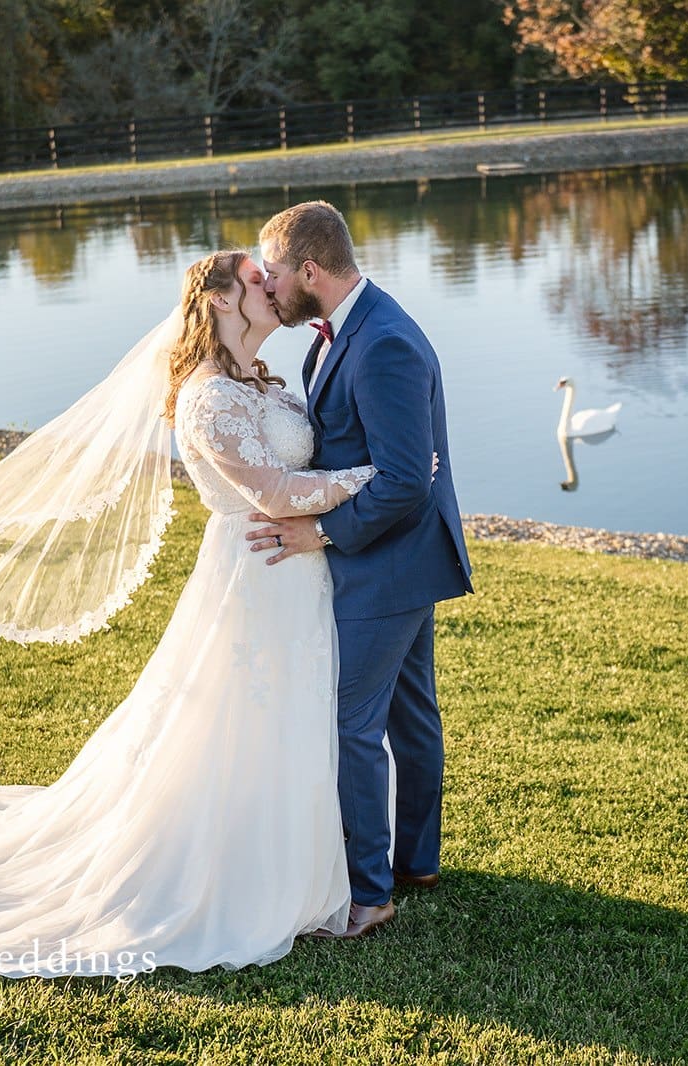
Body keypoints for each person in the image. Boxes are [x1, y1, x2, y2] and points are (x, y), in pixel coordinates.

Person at [0, 250, 389, 976]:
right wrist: (373, 477)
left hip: (300, 571)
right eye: (255, 279)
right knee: (244, 716)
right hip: (254, 570)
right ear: (220, 300)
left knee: (294, 714)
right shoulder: (207, 397)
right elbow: (276, 494)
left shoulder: (266, 382)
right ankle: (242, 868)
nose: (272, 286)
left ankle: (308, 858)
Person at [249, 201, 473, 939]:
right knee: (411, 715)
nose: (270, 287)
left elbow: (405, 479)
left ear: (310, 270)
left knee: (350, 723)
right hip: (404, 559)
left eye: (276, 275)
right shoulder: (341, 335)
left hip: (389, 561)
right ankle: (416, 858)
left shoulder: (382, 344)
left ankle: (370, 895)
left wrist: (323, 533)